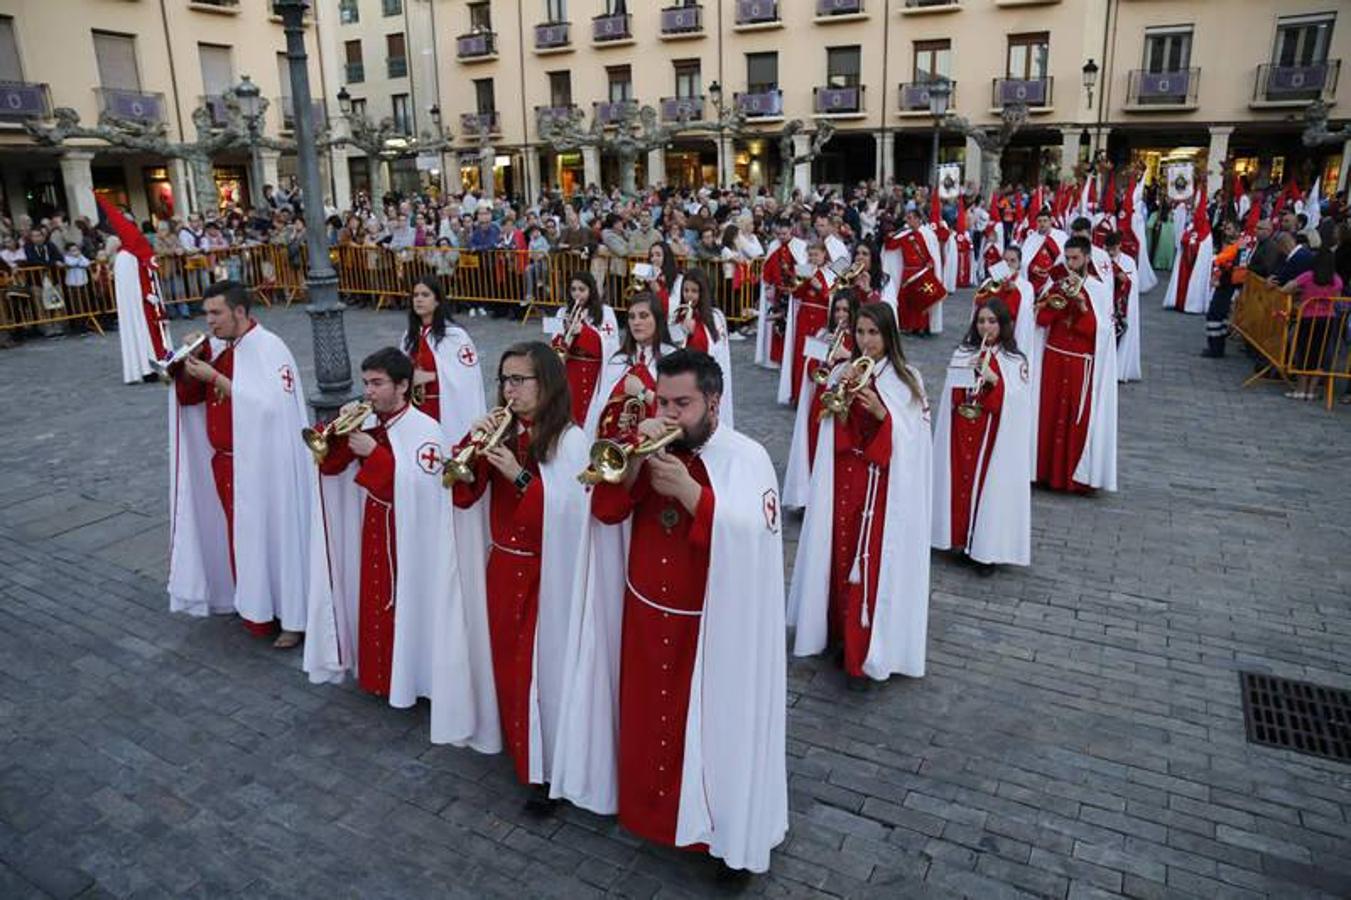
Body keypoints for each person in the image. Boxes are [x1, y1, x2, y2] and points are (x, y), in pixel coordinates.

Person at [586, 349, 787, 875]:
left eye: (684, 404)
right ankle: (654, 818)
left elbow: (755, 540)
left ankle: (722, 836)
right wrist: (631, 466)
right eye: (664, 401)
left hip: (715, 625)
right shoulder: (647, 449)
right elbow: (605, 513)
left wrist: (694, 495)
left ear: (714, 403)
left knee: (715, 736)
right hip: (649, 616)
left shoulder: (747, 458)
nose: (671, 414)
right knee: (652, 727)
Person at [450, 342, 591, 806]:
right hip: (503, 565)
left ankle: (546, 768)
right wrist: (472, 446)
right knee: (508, 664)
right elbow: (464, 492)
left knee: (539, 671)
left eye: (519, 380)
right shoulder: (504, 430)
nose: (509, 389)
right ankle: (516, 744)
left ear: (546, 384)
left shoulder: (570, 439)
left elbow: (569, 512)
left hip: (545, 572)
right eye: (504, 380)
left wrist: (519, 476)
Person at [788, 302, 932, 689]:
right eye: (861, 333)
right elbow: (826, 424)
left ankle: (863, 648)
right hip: (842, 480)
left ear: (889, 336)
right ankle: (834, 633)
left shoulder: (907, 381)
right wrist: (841, 392)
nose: (866, 341)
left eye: (874, 333)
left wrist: (883, 416)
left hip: (880, 488)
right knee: (837, 555)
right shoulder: (843, 371)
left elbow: (914, 442)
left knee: (867, 564)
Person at [167, 280, 314, 649]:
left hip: (265, 466)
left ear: (240, 312)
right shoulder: (220, 348)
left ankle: (292, 618)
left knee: (274, 536)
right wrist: (186, 362)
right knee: (242, 538)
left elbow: (271, 408)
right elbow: (190, 397)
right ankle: (253, 604)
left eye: (216, 313)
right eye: (207, 314)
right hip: (226, 463)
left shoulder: (269, 348)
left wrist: (216, 377)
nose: (210, 321)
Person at [931, 300, 1032, 573]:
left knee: (988, 487)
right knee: (958, 483)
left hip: (993, 436)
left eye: (991, 321)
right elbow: (952, 394)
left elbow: (1017, 404)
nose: (985, 326)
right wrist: (967, 374)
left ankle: (984, 548)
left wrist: (995, 380)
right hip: (962, 430)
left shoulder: (1015, 360)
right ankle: (957, 538)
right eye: (981, 321)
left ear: (1003, 324)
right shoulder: (964, 352)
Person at [1031, 237, 1118, 494]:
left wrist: (1081, 305)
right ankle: (1044, 472)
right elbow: (1042, 321)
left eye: (1075, 258)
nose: (1070, 264)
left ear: (1087, 258)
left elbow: (1100, 333)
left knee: (1073, 415)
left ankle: (1071, 477)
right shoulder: (1056, 285)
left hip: (1081, 363)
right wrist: (1051, 300)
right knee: (1048, 413)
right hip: (1054, 358)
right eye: (1067, 258)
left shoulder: (1099, 290)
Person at [783, 290, 856, 510]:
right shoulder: (822, 333)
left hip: (844, 404)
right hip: (820, 401)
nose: (840, 315)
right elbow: (809, 371)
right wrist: (824, 355)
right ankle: (811, 496)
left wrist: (847, 356)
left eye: (845, 310)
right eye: (837, 310)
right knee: (815, 447)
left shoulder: (860, 337)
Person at [584, 292, 675, 439]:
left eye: (643, 316)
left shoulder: (673, 359)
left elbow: (677, 411)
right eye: (632, 317)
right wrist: (617, 418)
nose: (636, 322)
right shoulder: (618, 361)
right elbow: (601, 411)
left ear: (657, 320)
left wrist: (643, 392)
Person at [551, 270, 620, 426]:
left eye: (582, 290)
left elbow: (608, 346)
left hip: (595, 373)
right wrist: (564, 331)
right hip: (571, 371)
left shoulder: (606, 312)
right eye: (573, 289)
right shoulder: (562, 312)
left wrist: (583, 331)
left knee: (591, 416)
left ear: (591, 290)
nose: (577, 294)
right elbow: (556, 347)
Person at [668, 266, 734, 428]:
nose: (689, 295)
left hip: (706, 379)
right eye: (686, 290)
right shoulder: (677, 316)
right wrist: (683, 330)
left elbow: (717, 350)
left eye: (694, 291)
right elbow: (672, 348)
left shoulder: (715, 317)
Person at [1280, 247, 1344, 401]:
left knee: (1304, 352)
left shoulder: (1308, 276)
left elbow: (1286, 289)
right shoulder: (1336, 280)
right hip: (1328, 319)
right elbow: (1338, 298)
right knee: (1319, 354)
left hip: (1308, 317)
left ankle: (1301, 389)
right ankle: (1311, 390)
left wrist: (1299, 293)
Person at [776, 241, 835, 406]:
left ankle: (812, 396)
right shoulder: (804, 269)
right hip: (804, 317)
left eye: (816, 254)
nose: (813, 258)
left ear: (824, 254)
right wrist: (801, 282)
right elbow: (796, 295)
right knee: (800, 355)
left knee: (816, 356)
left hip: (821, 318)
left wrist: (820, 287)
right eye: (810, 255)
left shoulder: (831, 272)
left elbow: (833, 297)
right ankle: (797, 394)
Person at [880, 208, 946, 335]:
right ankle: (908, 325)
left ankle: (922, 326)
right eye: (907, 218)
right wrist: (888, 237)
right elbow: (890, 246)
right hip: (907, 273)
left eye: (910, 218)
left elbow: (932, 255)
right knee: (907, 301)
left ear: (917, 219)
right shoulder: (904, 235)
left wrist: (930, 265)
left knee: (922, 300)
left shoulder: (927, 235)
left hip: (922, 272)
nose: (907, 221)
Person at [757, 218, 805, 370]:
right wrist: (769, 286)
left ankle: (789, 359)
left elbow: (803, 267)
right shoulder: (773, 245)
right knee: (777, 328)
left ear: (791, 230)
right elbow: (767, 268)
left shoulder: (800, 246)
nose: (781, 237)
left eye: (784, 234)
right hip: (777, 293)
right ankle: (776, 359)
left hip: (793, 292)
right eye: (779, 234)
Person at [1164, 193, 1212, 314]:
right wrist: (1187, 241)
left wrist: (1194, 244)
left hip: (1196, 263)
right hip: (1185, 261)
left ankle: (1192, 303)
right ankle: (1180, 301)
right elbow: (1183, 238)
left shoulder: (1207, 234)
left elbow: (1203, 247)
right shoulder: (1191, 226)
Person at [1020, 209, 1068, 298]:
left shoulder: (1061, 236)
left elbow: (1065, 258)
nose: (1042, 224)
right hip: (1036, 280)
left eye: (1045, 221)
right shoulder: (1031, 239)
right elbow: (1023, 261)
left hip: (1054, 278)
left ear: (1050, 221)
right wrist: (1032, 267)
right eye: (1039, 221)